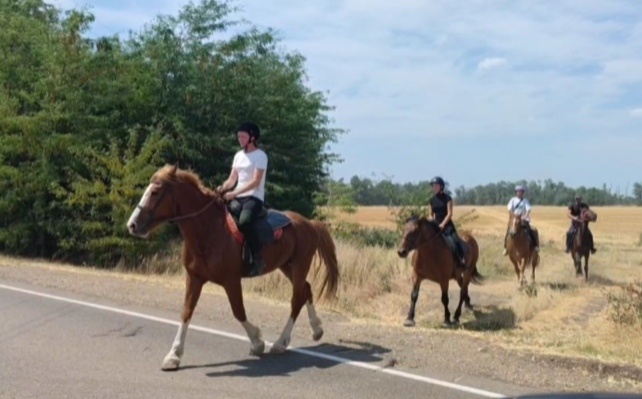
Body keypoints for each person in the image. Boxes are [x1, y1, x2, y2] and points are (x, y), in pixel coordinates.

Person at [217, 122, 268, 277]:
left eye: (243, 136)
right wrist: (223, 188)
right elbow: (232, 179)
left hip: (253, 197)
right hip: (237, 196)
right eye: (239, 136)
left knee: (245, 221)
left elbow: (255, 182)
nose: (240, 139)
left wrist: (233, 193)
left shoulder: (261, 156)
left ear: (252, 137)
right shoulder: (238, 156)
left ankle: (258, 259)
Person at [428, 176, 466, 270]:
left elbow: (449, 213)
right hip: (436, 225)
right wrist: (432, 221)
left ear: (441, 186)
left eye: (436, 185)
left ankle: (461, 260)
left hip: (447, 225)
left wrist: (443, 224)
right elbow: (430, 214)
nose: (434, 187)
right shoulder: (431, 200)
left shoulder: (447, 198)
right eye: (433, 186)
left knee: (456, 240)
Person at [502, 185, 539, 255]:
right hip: (514, 219)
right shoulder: (512, 200)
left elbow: (528, 210)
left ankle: (535, 245)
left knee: (530, 230)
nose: (520, 193)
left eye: (521, 192)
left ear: (523, 193)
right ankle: (505, 248)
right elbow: (509, 209)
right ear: (516, 192)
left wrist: (525, 216)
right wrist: (513, 216)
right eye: (518, 192)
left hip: (523, 219)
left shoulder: (525, 201)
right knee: (508, 232)